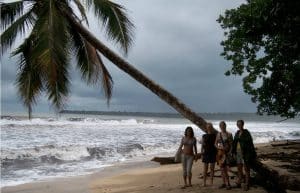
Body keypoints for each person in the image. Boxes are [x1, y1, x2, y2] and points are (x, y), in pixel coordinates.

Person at [232, 120, 256, 191]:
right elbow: (234, 143)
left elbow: (250, 143)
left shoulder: (246, 132)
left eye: (240, 124)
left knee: (246, 169)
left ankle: (247, 183)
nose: (239, 126)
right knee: (239, 168)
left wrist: (251, 153)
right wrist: (233, 151)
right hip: (238, 152)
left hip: (246, 153)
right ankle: (240, 181)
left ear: (243, 124)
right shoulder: (237, 132)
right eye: (238, 124)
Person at [215, 121, 233, 190]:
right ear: (220, 127)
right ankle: (224, 183)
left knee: (225, 169)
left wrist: (230, 152)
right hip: (220, 153)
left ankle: (228, 183)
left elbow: (232, 145)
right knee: (222, 169)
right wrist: (219, 147)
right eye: (221, 126)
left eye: (223, 125)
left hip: (227, 153)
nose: (222, 127)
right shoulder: (218, 134)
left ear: (225, 126)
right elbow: (215, 144)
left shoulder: (229, 134)